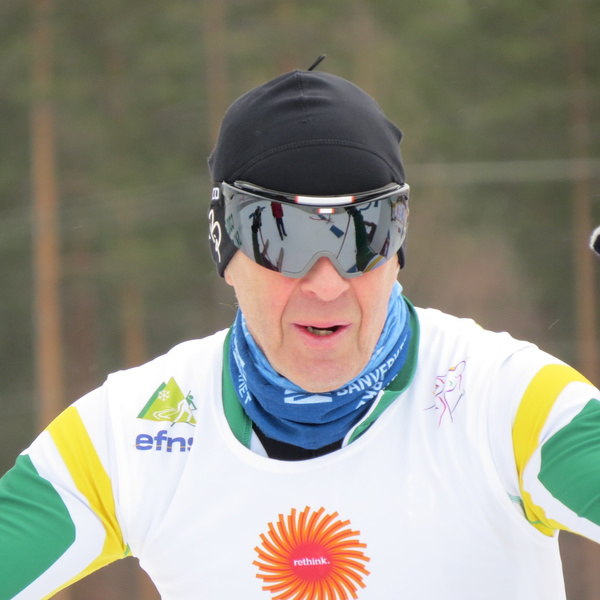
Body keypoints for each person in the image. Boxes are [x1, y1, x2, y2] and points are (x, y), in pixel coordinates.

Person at [1, 66, 599, 600]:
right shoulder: (133, 433)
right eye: (281, 237)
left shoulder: (505, 401)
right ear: (225, 247)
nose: (327, 284)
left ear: (398, 246)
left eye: (364, 235)